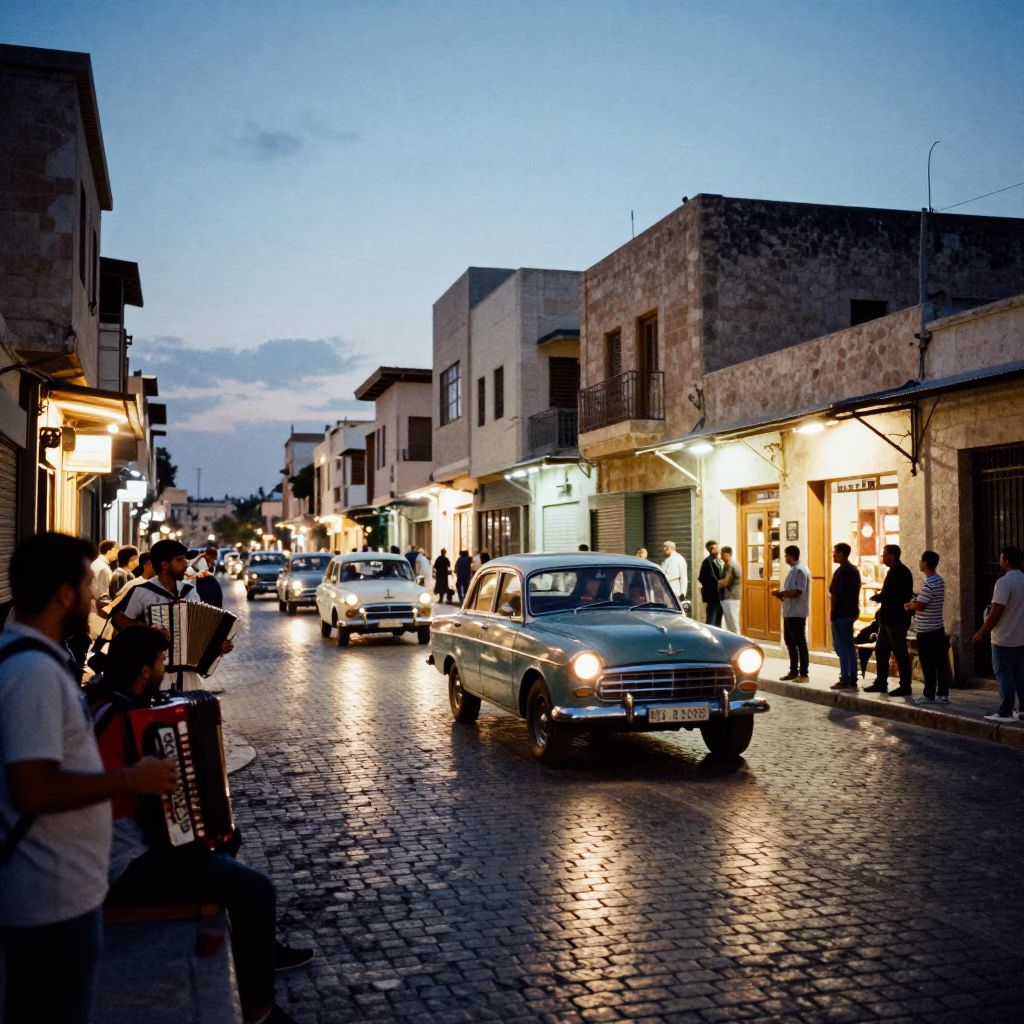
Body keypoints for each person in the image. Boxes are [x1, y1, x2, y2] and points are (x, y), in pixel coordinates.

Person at [0, 532, 179, 1024]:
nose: (91, 597)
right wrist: (128, 780)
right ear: (63, 594)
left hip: (58, 890)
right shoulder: (33, 673)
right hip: (48, 896)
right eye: (84, 585)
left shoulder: (34, 660)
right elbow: (32, 787)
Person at [89, 627, 309, 1024]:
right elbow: (115, 799)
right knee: (257, 889)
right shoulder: (115, 719)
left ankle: (253, 946)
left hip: (130, 845)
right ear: (143, 671)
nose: (162, 669)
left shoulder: (105, 704)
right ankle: (259, 1009)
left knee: (226, 837)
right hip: (120, 863)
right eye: (159, 663)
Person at [112, 539, 233, 691]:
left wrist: (218, 647)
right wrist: (149, 632)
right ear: (164, 565)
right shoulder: (142, 591)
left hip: (188, 676)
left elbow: (199, 632)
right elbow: (119, 620)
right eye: (179, 559)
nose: (186, 564)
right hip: (156, 675)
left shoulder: (190, 591)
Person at [974, 545, 1024, 723]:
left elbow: (996, 610)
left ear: (1007, 560)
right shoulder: (1023, 580)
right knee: (1020, 675)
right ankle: (1022, 710)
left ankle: (1005, 711)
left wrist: (982, 632)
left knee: (1004, 675)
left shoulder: (1004, 582)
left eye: (1001, 557)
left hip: (1004, 637)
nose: (999, 560)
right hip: (1021, 636)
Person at [862, 544, 914, 696]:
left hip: (896, 619)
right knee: (881, 650)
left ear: (892, 556)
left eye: (885, 555)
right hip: (887, 619)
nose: (883, 557)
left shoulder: (901, 572)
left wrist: (880, 597)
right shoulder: (893, 571)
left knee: (899, 652)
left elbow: (896, 595)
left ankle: (905, 685)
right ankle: (881, 682)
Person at [906, 550, 953, 705]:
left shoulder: (930, 584)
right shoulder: (938, 581)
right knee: (940, 663)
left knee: (928, 664)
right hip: (937, 628)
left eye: (921, 560)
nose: (919, 563)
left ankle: (929, 694)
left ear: (925, 563)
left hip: (927, 631)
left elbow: (920, 606)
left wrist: (908, 605)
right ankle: (943, 694)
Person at [773, 545, 810, 682]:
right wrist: (781, 594)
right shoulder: (793, 570)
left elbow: (798, 591)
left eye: (785, 555)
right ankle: (793, 671)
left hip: (797, 612)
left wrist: (782, 593)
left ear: (790, 555)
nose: (784, 558)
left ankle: (804, 673)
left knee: (800, 642)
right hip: (789, 612)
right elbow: (791, 590)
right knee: (789, 641)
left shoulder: (800, 570)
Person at [829, 542, 861, 691]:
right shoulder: (854, 570)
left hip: (841, 614)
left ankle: (846, 678)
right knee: (849, 647)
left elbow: (835, 594)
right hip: (851, 612)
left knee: (843, 648)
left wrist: (832, 612)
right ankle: (852, 678)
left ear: (841, 553)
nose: (833, 555)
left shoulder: (842, 571)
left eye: (835, 552)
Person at [87, 539, 118, 637]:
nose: (117, 553)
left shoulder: (99, 564)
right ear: (110, 551)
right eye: (116, 550)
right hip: (99, 611)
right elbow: (102, 594)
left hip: (94, 609)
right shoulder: (102, 567)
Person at [698, 540, 724, 627]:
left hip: (721, 596)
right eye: (712, 548)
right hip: (713, 596)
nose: (715, 549)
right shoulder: (707, 562)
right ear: (709, 550)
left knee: (718, 619)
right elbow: (702, 578)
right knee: (712, 619)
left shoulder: (721, 561)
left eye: (716, 547)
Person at [717, 546, 742, 632]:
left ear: (727, 554)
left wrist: (718, 583)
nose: (720, 556)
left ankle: (738, 643)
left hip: (731, 598)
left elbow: (726, 582)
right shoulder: (727, 565)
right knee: (730, 625)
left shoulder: (732, 565)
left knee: (734, 624)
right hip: (727, 598)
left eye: (721, 554)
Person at [661, 541, 688, 608]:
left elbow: (683, 576)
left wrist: (683, 592)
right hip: (665, 589)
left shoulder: (679, 559)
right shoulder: (666, 560)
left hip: (675, 589)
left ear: (667, 548)